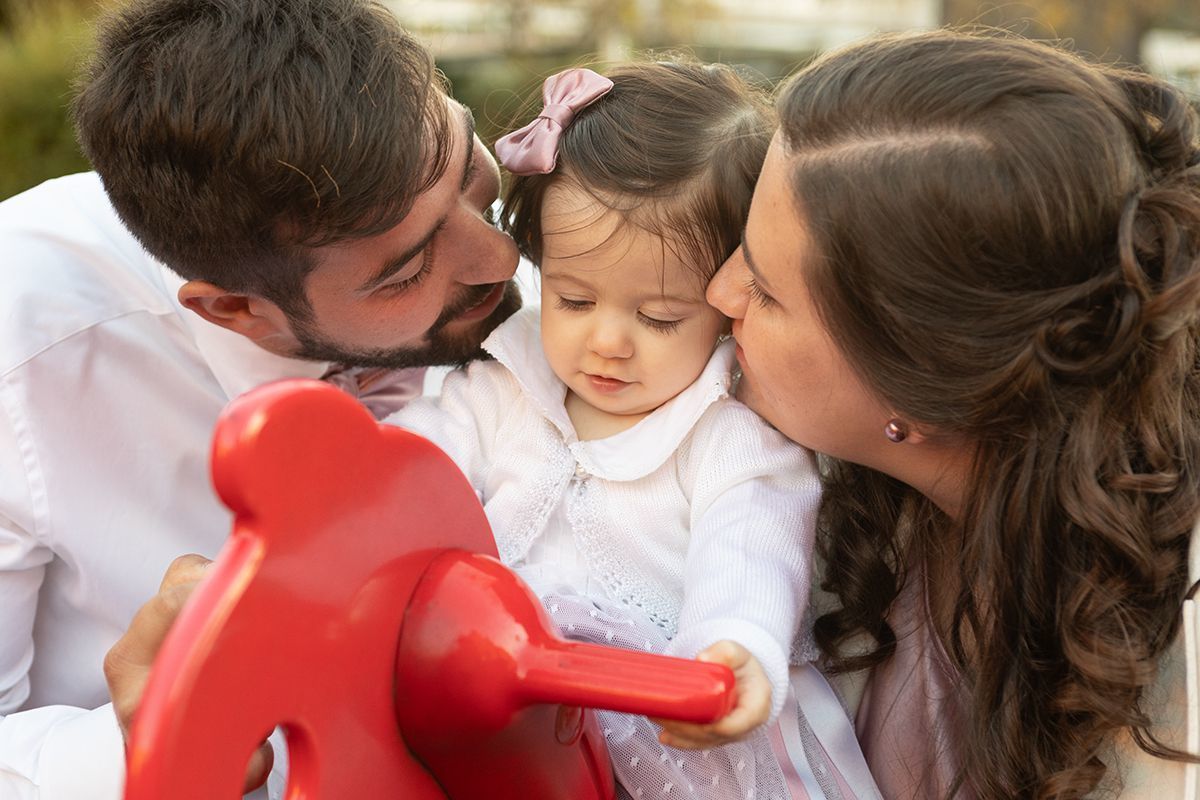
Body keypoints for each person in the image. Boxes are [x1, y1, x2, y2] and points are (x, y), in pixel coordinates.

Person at [0, 0, 520, 796]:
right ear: (236, 310)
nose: (503, 257)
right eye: (409, 270)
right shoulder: (23, 352)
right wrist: (138, 748)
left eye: (469, 172)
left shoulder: (564, 268)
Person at [703, 29, 1200, 799]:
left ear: (917, 378)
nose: (719, 292)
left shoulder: (1180, 668)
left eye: (766, 291)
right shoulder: (807, 497)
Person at [385, 61, 871, 800]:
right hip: (498, 719)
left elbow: (752, 555)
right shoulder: (497, 391)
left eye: (658, 317)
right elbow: (404, 470)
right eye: (574, 301)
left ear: (731, 297)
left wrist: (733, 649)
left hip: (663, 732)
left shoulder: (729, 435)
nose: (608, 343)